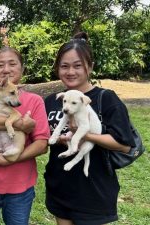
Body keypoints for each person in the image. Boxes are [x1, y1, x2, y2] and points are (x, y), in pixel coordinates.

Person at [44, 32, 135, 225]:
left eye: (78, 66)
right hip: (60, 185)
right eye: (64, 66)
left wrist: (86, 135)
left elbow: (124, 145)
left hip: (93, 192)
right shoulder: (54, 100)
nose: (71, 72)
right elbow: (45, 137)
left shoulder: (106, 99)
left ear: (90, 67)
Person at [0, 46, 50, 225]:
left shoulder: (34, 101)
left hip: (19, 187)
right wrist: (21, 124)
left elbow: (42, 144)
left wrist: (7, 160)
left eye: (12, 64)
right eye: (0, 65)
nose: (6, 69)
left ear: (22, 68)